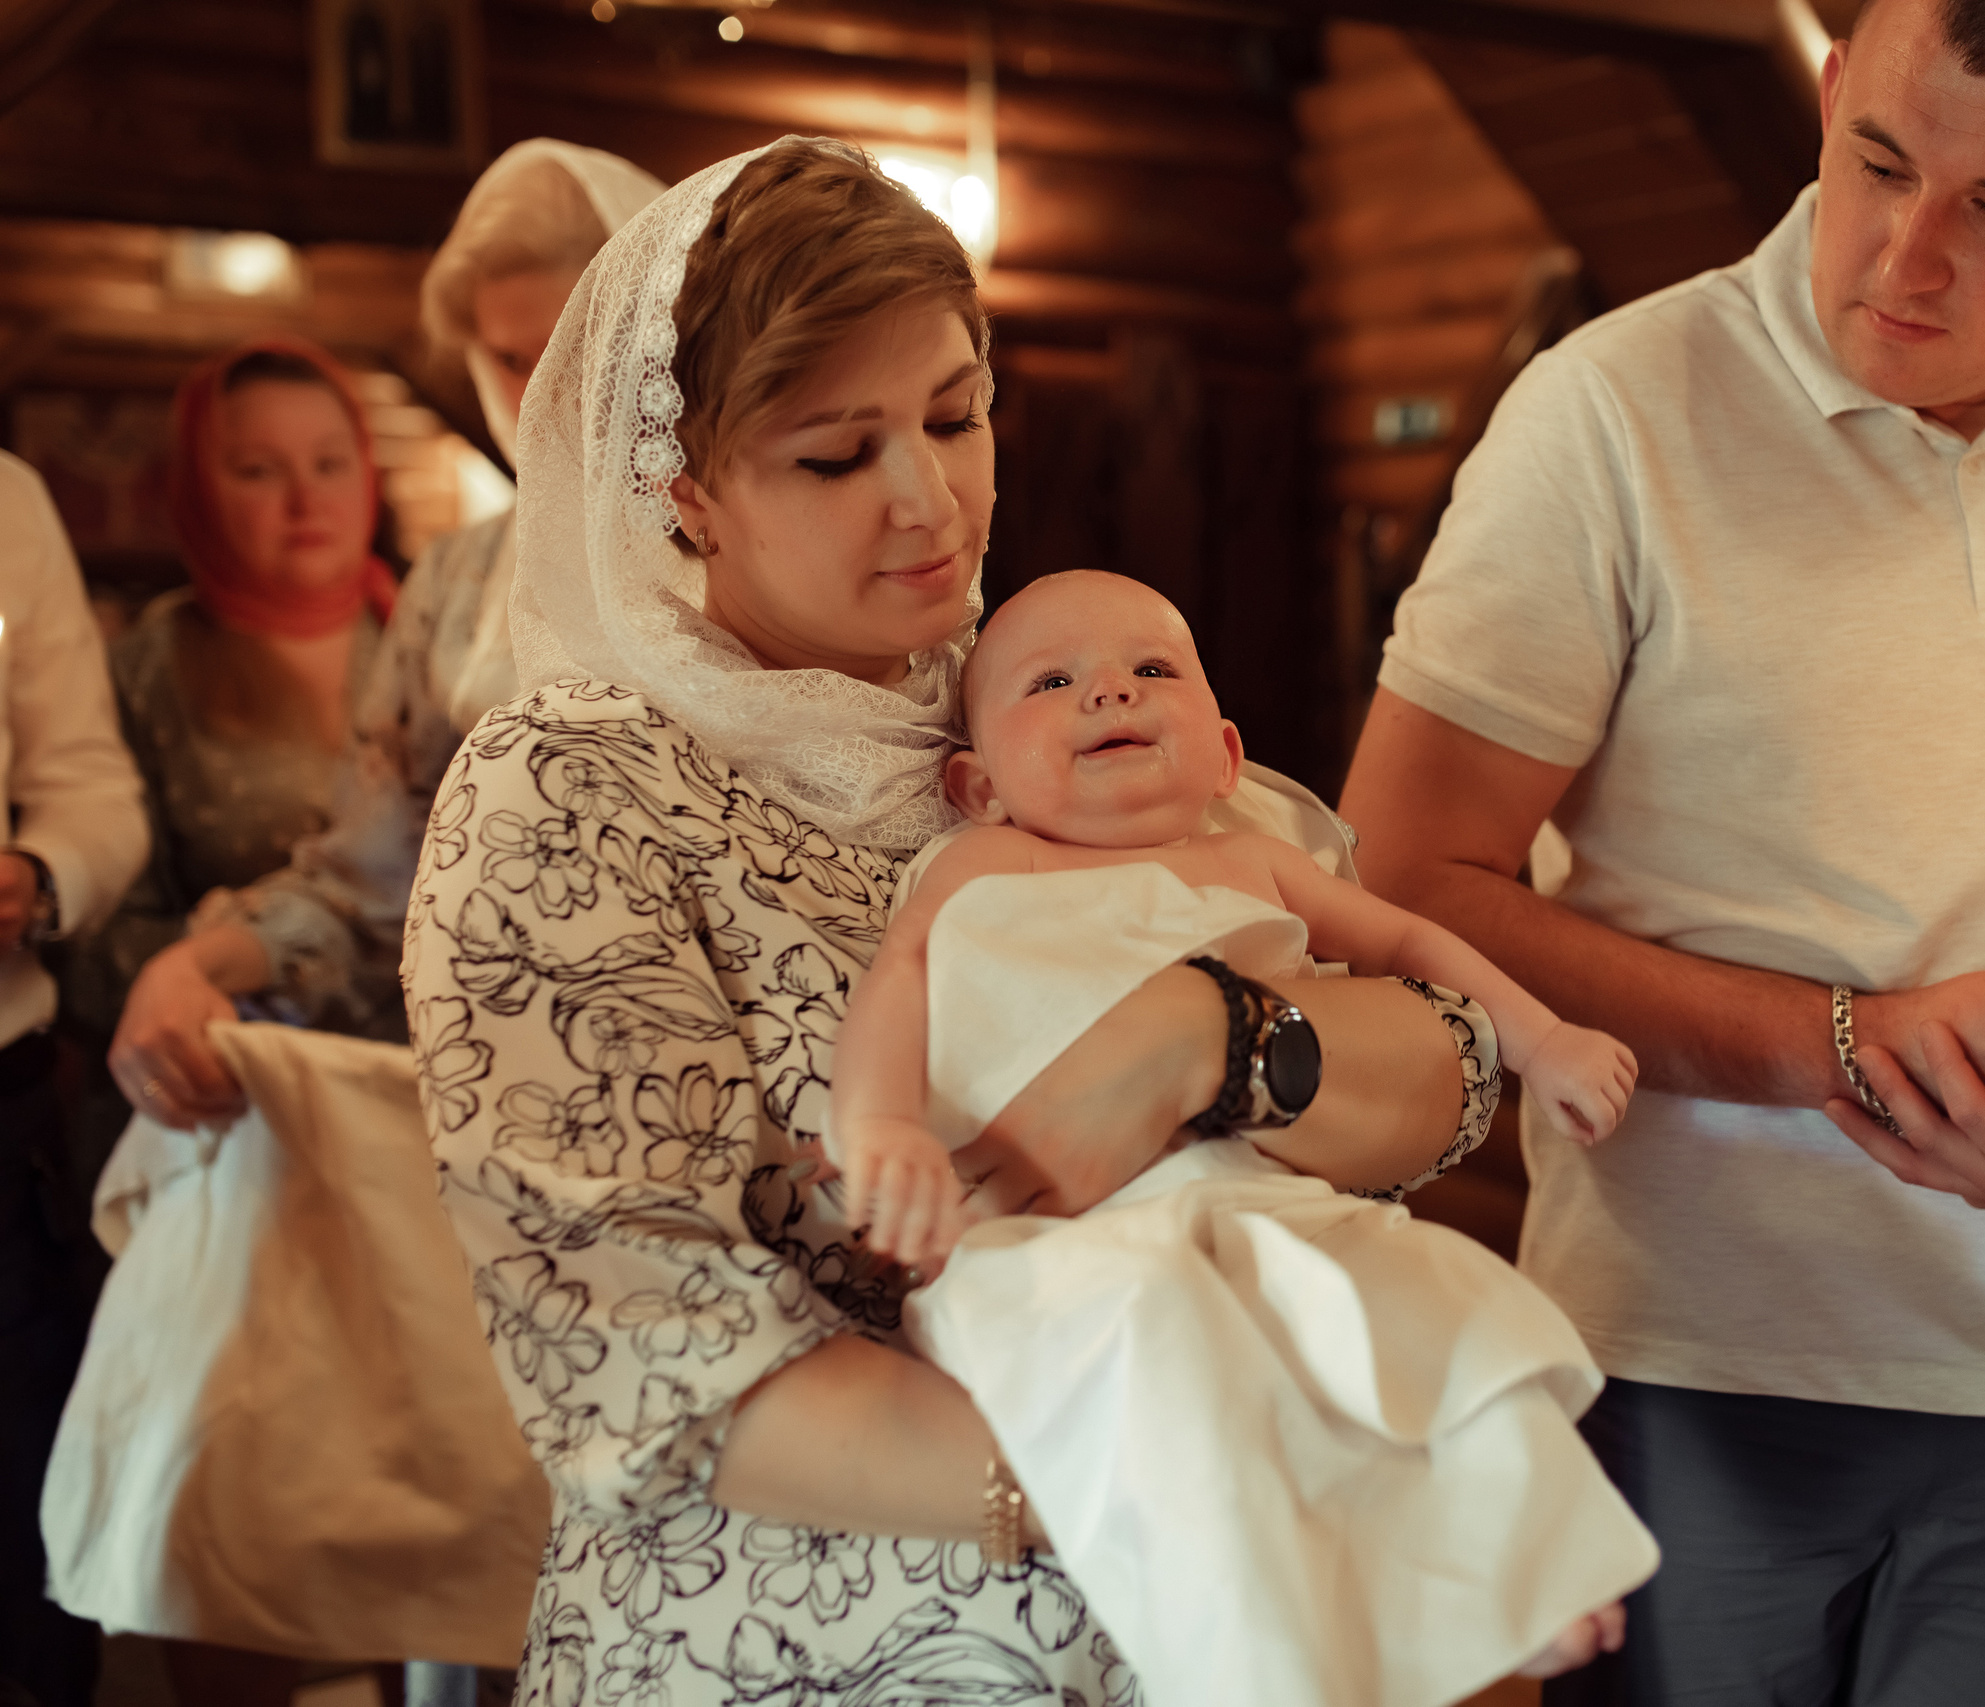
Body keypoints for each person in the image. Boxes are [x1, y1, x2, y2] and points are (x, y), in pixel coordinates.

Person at [404, 135, 1517, 1704]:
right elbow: (643, 1351)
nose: (930, 500)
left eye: (954, 415)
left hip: (1241, 1596)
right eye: (835, 454)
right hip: (821, 1636)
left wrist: (1212, 1036)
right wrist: (1163, 1472)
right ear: (688, 493)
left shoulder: (1048, 695)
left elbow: (1448, 1070)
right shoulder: (575, 787)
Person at [1337, 0, 1985, 1698]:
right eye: (1879, 162)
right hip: (1682, 1367)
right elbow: (1401, 879)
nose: (1904, 252)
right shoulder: (1610, 411)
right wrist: (1833, 1044)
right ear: (1827, 97)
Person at [832, 568, 1648, 1704]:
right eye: (1052, 682)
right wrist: (877, 1122)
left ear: (1223, 757)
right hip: (1060, 1232)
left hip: (1249, 1182)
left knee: (1420, 1297)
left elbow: (1410, 947)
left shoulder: (1249, 861)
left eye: (1151, 669)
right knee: (1180, 1376)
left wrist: (1543, 1040)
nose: (1109, 691)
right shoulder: (983, 862)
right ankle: (1265, 1670)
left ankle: (1519, 1553)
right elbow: (903, 978)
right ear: (977, 784)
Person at [108, 141, 663, 1133]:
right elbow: (373, 884)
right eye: (508, 360)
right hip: (505, 1099)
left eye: (576, 343)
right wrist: (196, 964)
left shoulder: (761, 532)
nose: (542, 392)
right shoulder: (456, 582)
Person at [71, 337, 396, 1083]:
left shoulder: (437, 637)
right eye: (258, 470)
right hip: (232, 1084)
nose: (306, 501)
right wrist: (217, 949)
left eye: (329, 464)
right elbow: (84, 946)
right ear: (196, 488)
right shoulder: (145, 672)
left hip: (432, 1077)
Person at [0, 455, 147, 1707]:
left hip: (1, 1120)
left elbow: (90, 787)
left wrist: (40, 873)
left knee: (19, 1572)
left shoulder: (7, 504)